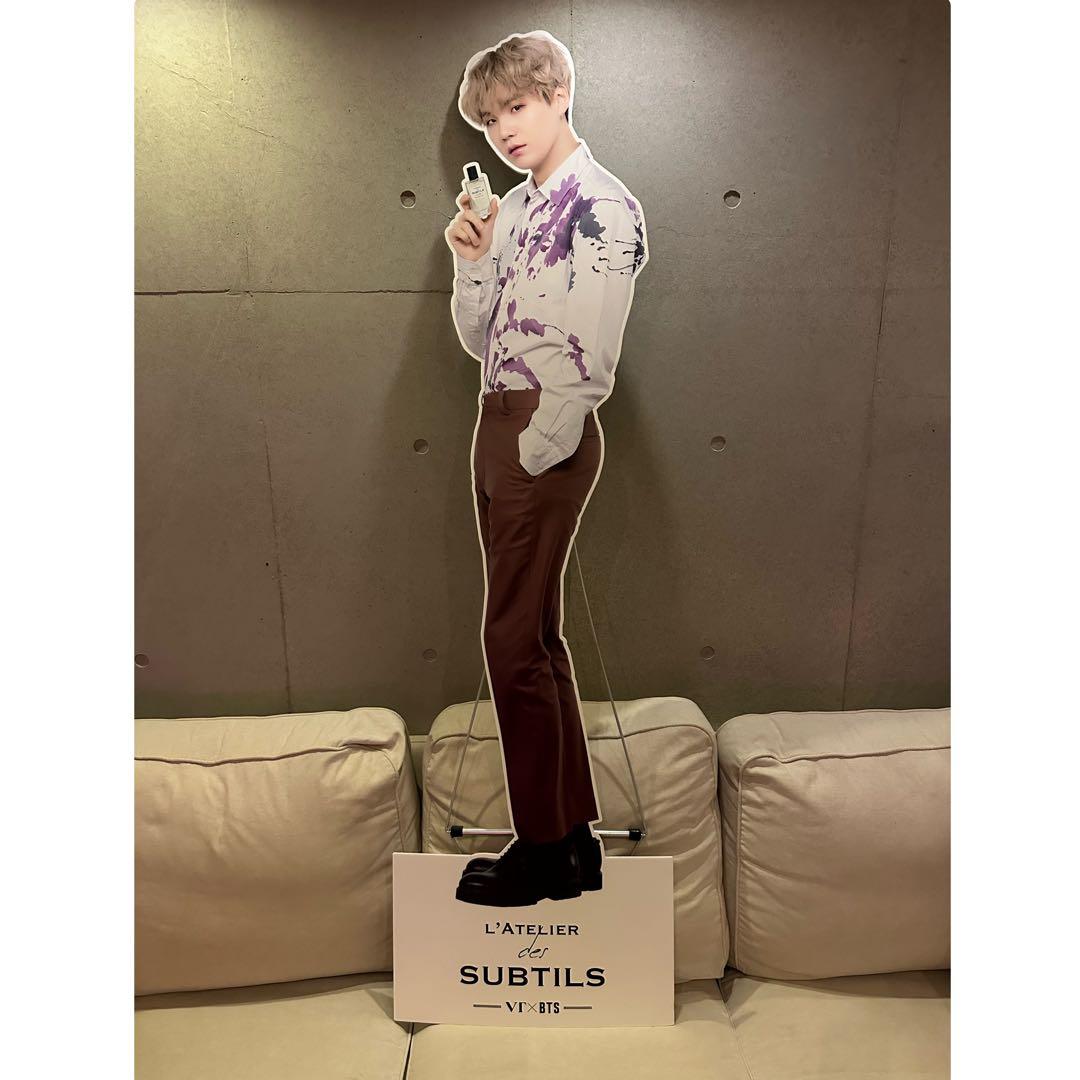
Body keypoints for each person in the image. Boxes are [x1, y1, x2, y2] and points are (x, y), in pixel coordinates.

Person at [445, 31, 648, 907]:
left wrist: (543, 440)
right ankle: (571, 845)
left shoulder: (601, 204)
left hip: (542, 430)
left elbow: (592, 350)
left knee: (509, 641)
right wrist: (474, 262)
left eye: (518, 107)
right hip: (498, 421)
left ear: (560, 92)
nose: (504, 130)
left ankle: (541, 845)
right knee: (533, 638)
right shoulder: (521, 208)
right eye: (490, 120)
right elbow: (480, 340)